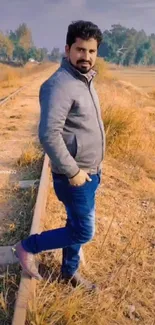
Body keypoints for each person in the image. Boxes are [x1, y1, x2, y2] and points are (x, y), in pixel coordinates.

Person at [2, 20, 106, 290]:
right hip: (76, 175)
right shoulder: (59, 84)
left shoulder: (84, 80)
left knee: (75, 223)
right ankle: (27, 247)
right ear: (68, 49)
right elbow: (49, 134)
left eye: (92, 51)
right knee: (83, 230)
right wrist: (72, 171)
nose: (86, 57)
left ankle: (69, 272)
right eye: (81, 50)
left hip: (90, 171)